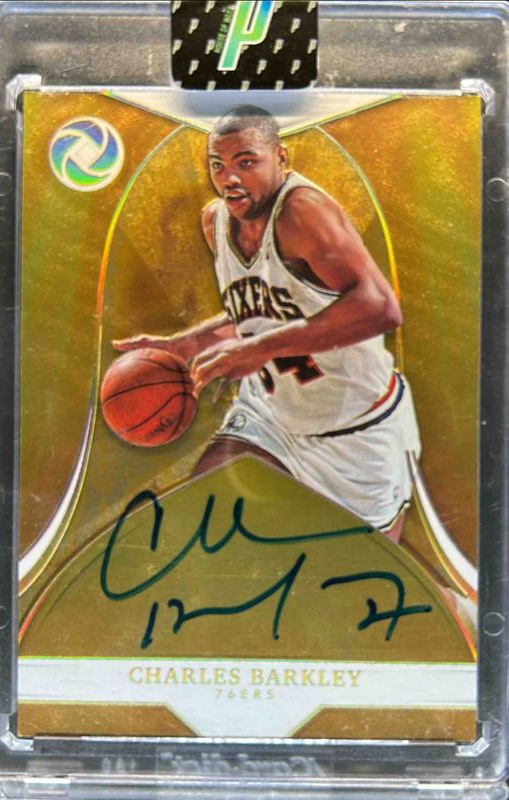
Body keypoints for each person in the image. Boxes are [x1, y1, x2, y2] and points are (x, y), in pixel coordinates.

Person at [115, 105, 421, 543]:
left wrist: (258, 350)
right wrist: (185, 344)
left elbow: (380, 308)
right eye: (217, 165)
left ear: (281, 157)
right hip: (270, 416)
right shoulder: (216, 221)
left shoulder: (302, 213)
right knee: (206, 511)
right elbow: (259, 311)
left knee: (362, 576)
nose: (229, 178)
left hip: (355, 426)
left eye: (246, 162)